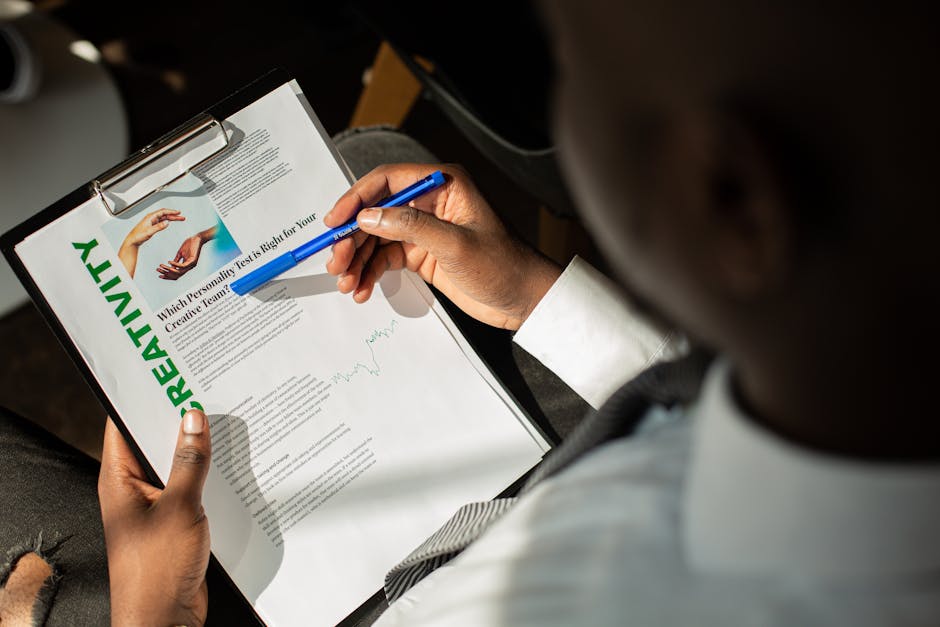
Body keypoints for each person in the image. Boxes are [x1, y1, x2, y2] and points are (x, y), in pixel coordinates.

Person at [9, 0, 940, 624]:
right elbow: (686, 412)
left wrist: (150, 614)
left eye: (571, 66)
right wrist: (532, 293)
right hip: (532, 482)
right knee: (372, 147)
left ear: (730, 193)